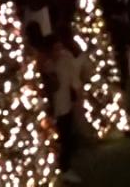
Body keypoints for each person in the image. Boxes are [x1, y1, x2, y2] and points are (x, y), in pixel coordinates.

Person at [34, 29, 86, 184]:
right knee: (56, 139)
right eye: (55, 49)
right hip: (51, 109)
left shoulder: (65, 60)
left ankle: (65, 167)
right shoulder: (45, 66)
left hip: (64, 106)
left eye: (59, 48)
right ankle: (57, 167)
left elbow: (73, 77)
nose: (59, 51)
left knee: (65, 137)